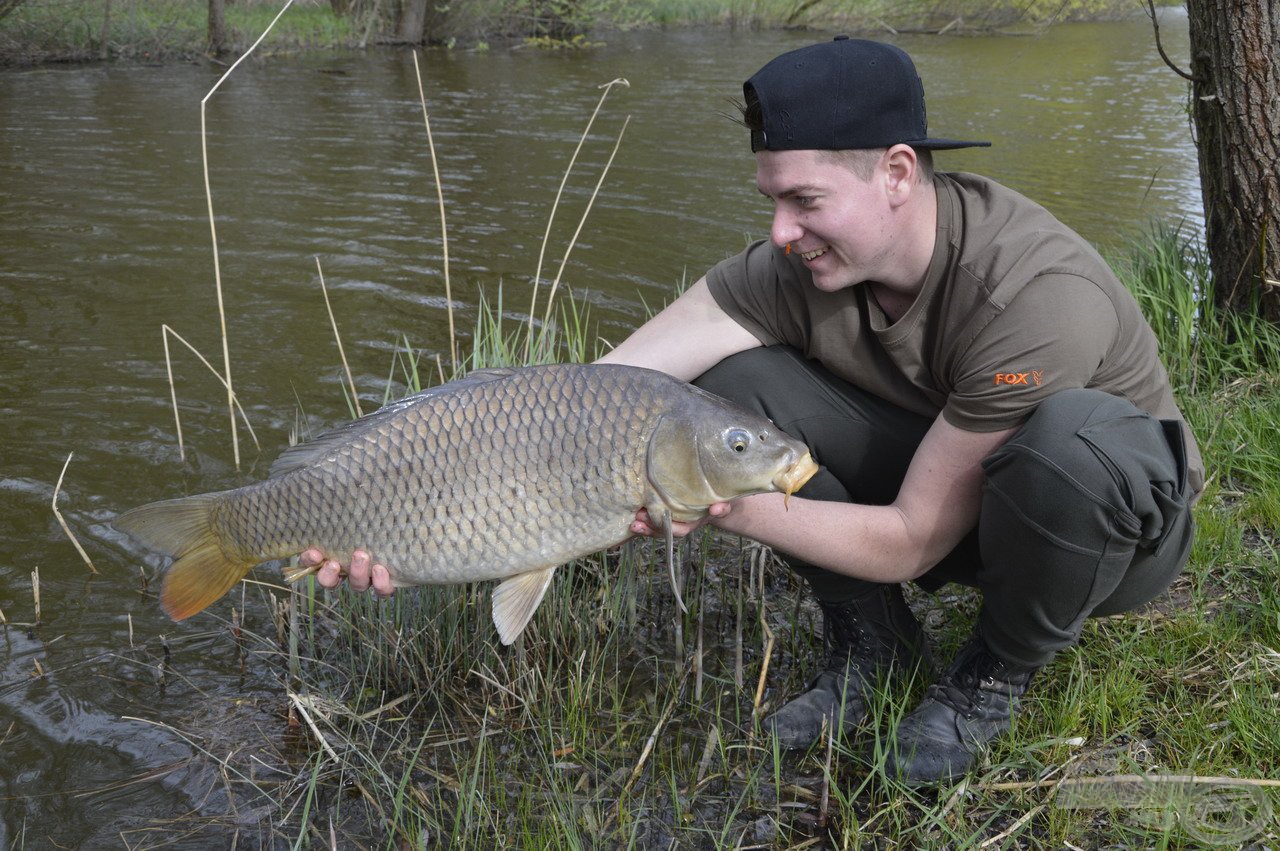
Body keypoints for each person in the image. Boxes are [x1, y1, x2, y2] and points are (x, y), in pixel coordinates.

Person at [301, 37, 1202, 784]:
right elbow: (594, 393)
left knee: (1064, 452)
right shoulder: (792, 267)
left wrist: (715, 500)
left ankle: (991, 674)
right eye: (771, 200)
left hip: (1096, 534)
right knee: (734, 382)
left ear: (897, 172)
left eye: (804, 200)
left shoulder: (1033, 293)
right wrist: (427, 494)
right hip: (947, 482)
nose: (779, 232)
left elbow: (912, 539)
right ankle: (874, 646)